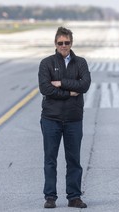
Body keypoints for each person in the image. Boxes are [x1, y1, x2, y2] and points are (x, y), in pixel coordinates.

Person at [38, 26, 91, 209]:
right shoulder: (46, 63)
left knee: (74, 160)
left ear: (71, 43)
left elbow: (84, 85)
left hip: (73, 119)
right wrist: (70, 92)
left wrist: (61, 83)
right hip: (51, 119)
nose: (63, 46)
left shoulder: (81, 63)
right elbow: (45, 89)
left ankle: (74, 197)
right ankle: (50, 197)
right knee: (50, 160)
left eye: (66, 42)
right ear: (55, 43)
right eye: (60, 43)